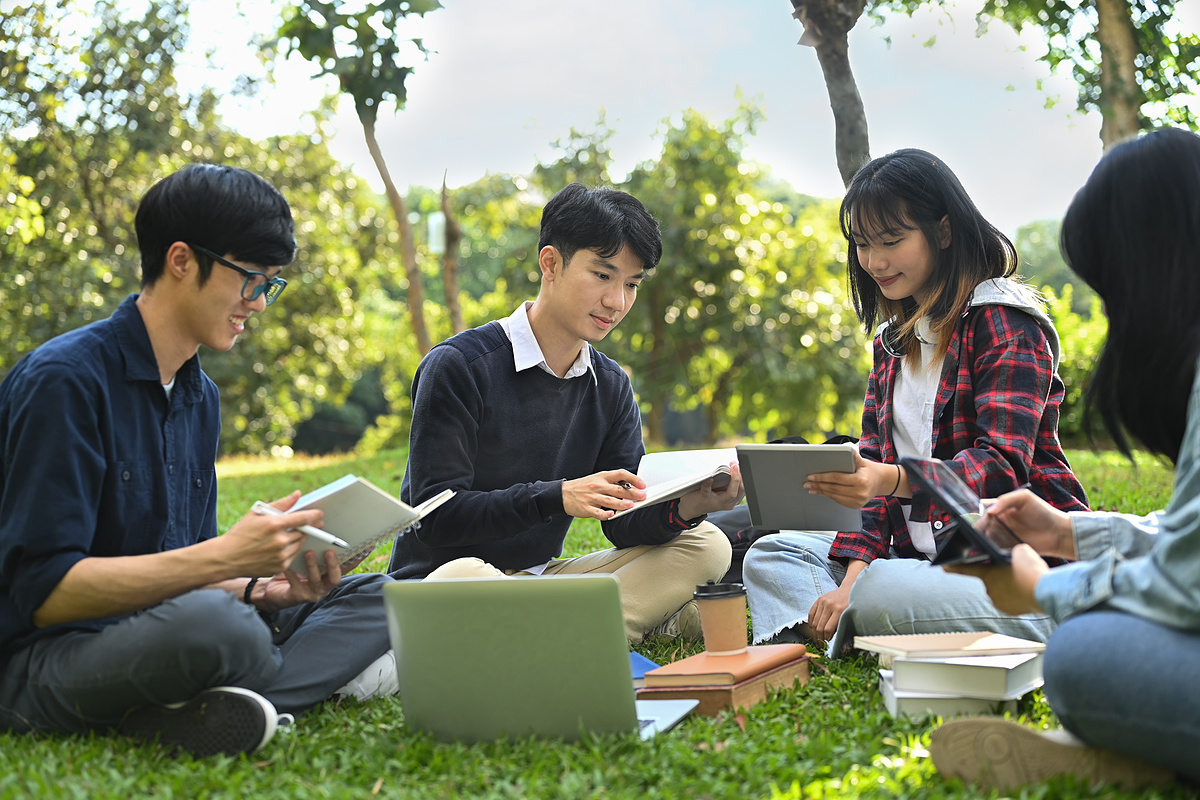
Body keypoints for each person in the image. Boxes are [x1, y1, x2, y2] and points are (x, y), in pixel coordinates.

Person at [0, 164, 395, 759]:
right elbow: (46, 593)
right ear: (181, 261)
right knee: (222, 629)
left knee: (384, 595)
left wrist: (265, 587)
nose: (257, 304)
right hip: (50, 653)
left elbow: (183, 570)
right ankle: (267, 691)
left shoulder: (197, 396)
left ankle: (211, 707)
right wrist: (227, 559)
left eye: (269, 285)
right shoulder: (65, 381)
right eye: (250, 280)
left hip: (169, 625)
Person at [930, 128, 1200, 791]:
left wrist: (1045, 584)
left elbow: (1184, 588)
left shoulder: (1002, 324)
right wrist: (1067, 534)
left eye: (1111, 292)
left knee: (1080, 652)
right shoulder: (891, 348)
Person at [742, 149, 1089, 655]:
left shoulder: (1005, 323)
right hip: (913, 557)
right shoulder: (892, 343)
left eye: (891, 240)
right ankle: (872, 625)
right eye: (861, 244)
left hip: (1003, 558)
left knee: (885, 588)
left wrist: (891, 481)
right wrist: (849, 581)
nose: (873, 261)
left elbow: (1000, 469)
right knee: (772, 554)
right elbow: (875, 479)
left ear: (943, 232)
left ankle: (875, 625)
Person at [387, 183, 740, 643]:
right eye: (603, 275)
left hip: (541, 582)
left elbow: (623, 522)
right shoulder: (459, 366)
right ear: (550, 263)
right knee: (463, 576)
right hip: (444, 580)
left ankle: (544, 635)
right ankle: (606, 630)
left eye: (631, 284)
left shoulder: (610, 386)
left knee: (708, 544)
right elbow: (435, 518)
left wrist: (694, 504)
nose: (617, 302)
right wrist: (556, 496)